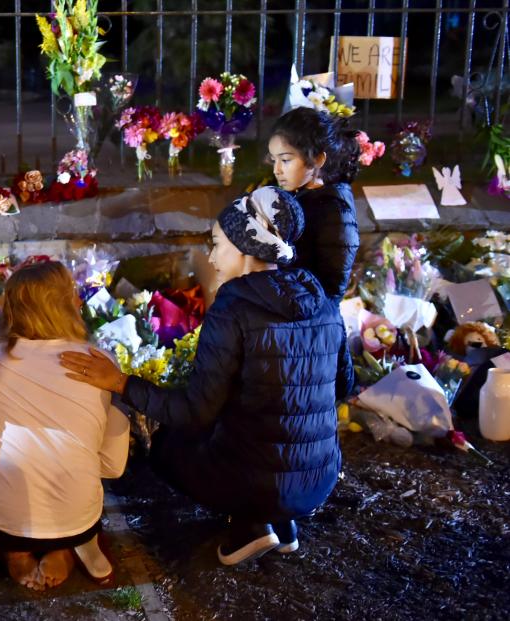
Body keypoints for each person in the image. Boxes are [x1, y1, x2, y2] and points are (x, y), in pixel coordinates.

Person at [60, 187, 351, 566]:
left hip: (255, 482)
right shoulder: (324, 301)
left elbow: (195, 411)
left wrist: (121, 383)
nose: (212, 258)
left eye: (217, 244)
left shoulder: (234, 308)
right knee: (261, 436)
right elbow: (344, 386)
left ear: (246, 248)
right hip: (320, 477)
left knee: (168, 447)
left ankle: (251, 527)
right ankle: (282, 522)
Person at [0, 261, 129, 590]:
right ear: (64, 305)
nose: (79, 301)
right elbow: (113, 467)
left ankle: (13, 550)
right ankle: (64, 545)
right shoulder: (101, 364)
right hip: (79, 520)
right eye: (73, 295)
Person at [268, 107, 361, 302]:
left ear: (318, 159)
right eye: (273, 159)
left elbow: (331, 288)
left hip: (309, 321)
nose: (277, 170)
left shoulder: (334, 210)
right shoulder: (301, 195)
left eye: (285, 160)